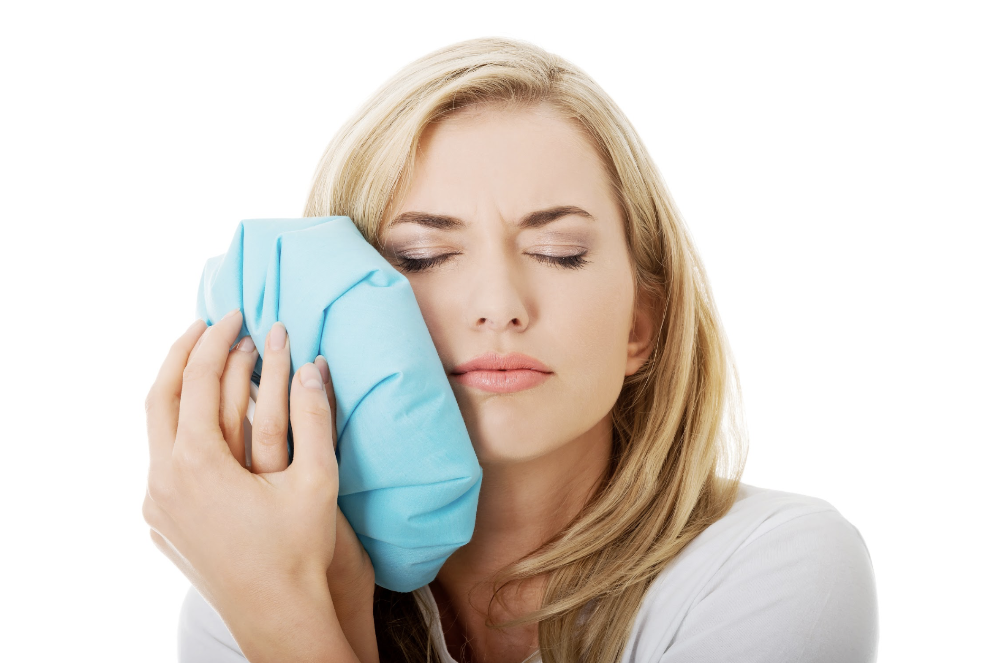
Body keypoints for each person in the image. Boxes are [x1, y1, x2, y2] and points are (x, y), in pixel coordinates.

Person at [144, 37, 878, 663]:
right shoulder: (237, 583)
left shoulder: (779, 567)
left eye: (558, 252)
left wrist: (283, 617)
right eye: (424, 255)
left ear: (640, 326)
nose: (499, 305)